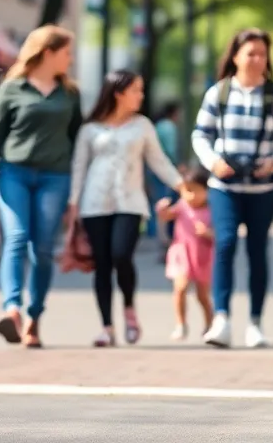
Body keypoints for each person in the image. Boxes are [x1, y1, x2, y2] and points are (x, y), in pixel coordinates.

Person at [0, 24, 81, 350]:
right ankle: (13, 310)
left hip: (55, 177)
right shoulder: (12, 89)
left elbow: (78, 140)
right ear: (48, 52)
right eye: (66, 53)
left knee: (42, 249)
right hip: (13, 173)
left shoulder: (69, 94)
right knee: (16, 237)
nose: (70, 59)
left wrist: (78, 191)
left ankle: (34, 317)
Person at [191, 28, 273, 349]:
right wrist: (213, 162)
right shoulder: (218, 93)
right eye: (250, 53)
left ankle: (255, 322)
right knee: (224, 245)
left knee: (256, 251)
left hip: (265, 190)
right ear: (235, 55)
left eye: (262, 54)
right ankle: (220, 319)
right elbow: (200, 135)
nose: (256, 59)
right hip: (224, 186)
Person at [69, 70, 185, 347]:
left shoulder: (142, 126)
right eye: (136, 90)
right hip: (95, 203)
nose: (140, 96)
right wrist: (73, 203)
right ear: (118, 93)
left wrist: (182, 185)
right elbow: (79, 167)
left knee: (121, 255)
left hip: (130, 202)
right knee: (102, 264)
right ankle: (107, 327)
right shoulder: (90, 128)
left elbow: (158, 160)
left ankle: (130, 311)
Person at [155, 165, 214, 340]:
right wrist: (162, 210)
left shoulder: (212, 211)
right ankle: (181, 324)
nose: (191, 196)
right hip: (182, 253)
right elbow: (167, 216)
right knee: (180, 288)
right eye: (187, 191)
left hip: (202, 256)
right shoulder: (182, 206)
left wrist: (208, 233)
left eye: (196, 191)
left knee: (202, 295)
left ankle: (210, 323)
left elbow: (222, 236)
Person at [147, 101, 183, 248]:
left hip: (152, 169)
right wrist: (178, 167)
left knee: (155, 200)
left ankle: (153, 232)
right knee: (165, 201)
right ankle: (164, 237)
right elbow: (170, 151)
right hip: (165, 169)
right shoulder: (169, 127)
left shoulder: (158, 125)